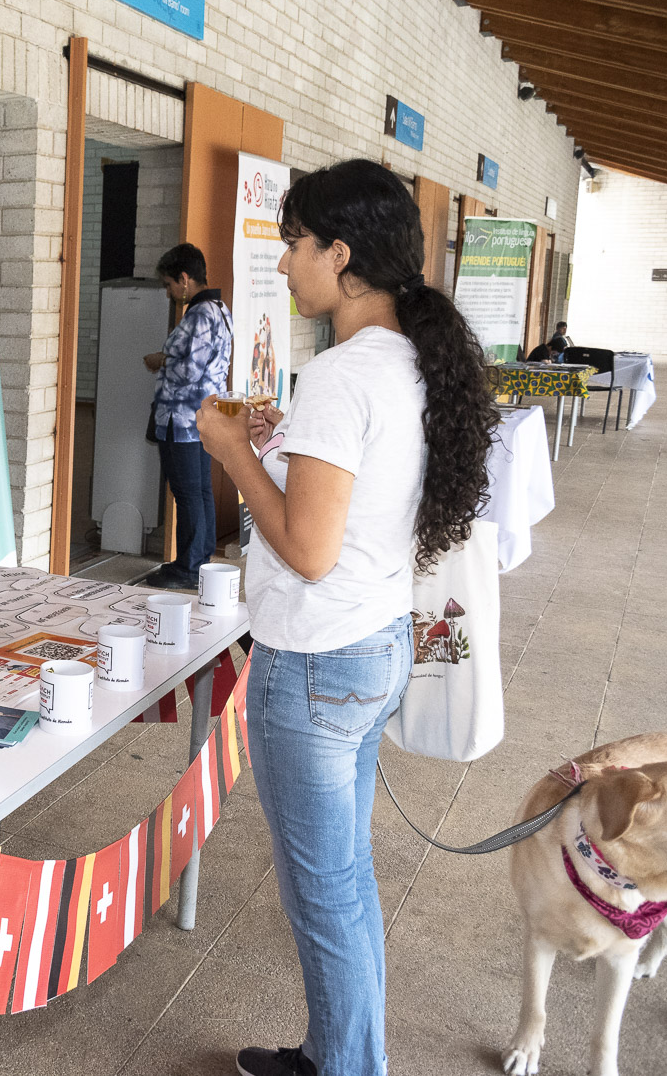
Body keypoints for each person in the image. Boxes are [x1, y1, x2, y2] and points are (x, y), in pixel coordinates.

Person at [196, 159, 496, 1076]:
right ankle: (336, 1051)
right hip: (373, 648)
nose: (283, 264)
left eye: (293, 244)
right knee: (345, 887)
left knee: (324, 899)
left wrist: (229, 452)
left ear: (342, 251)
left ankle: (350, 1067)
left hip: (319, 665)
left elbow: (308, 547)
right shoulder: (411, 362)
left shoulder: (341, 375)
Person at [143, 242, 232, 590]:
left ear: (184, 278)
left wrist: (160, 359)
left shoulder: (198, 314)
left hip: (181, 418)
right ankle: (200, 559)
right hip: (203, 416)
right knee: (201, 490)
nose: (169, 293)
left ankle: (188, 567)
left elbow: (188, 372)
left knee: (187, 493)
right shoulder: (221, 309)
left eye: (169, 285)